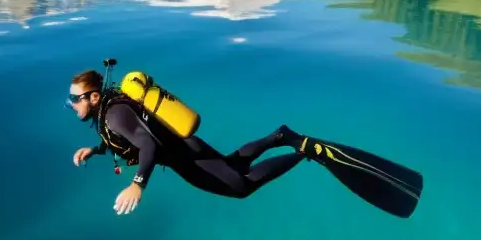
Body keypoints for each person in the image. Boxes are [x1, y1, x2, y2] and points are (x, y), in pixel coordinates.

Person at [67, 69, 312, 215]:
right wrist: (95, 150)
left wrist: (137, 184)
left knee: (242, 187)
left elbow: (148, 145)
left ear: (95, 96)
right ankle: (280, 135)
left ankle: (303, 151)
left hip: (186, 159)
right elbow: (124, 139)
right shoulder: (109, 110)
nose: (72, 104)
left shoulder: (114, 114)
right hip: (188, 146)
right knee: (235, 165)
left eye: (75, 98)